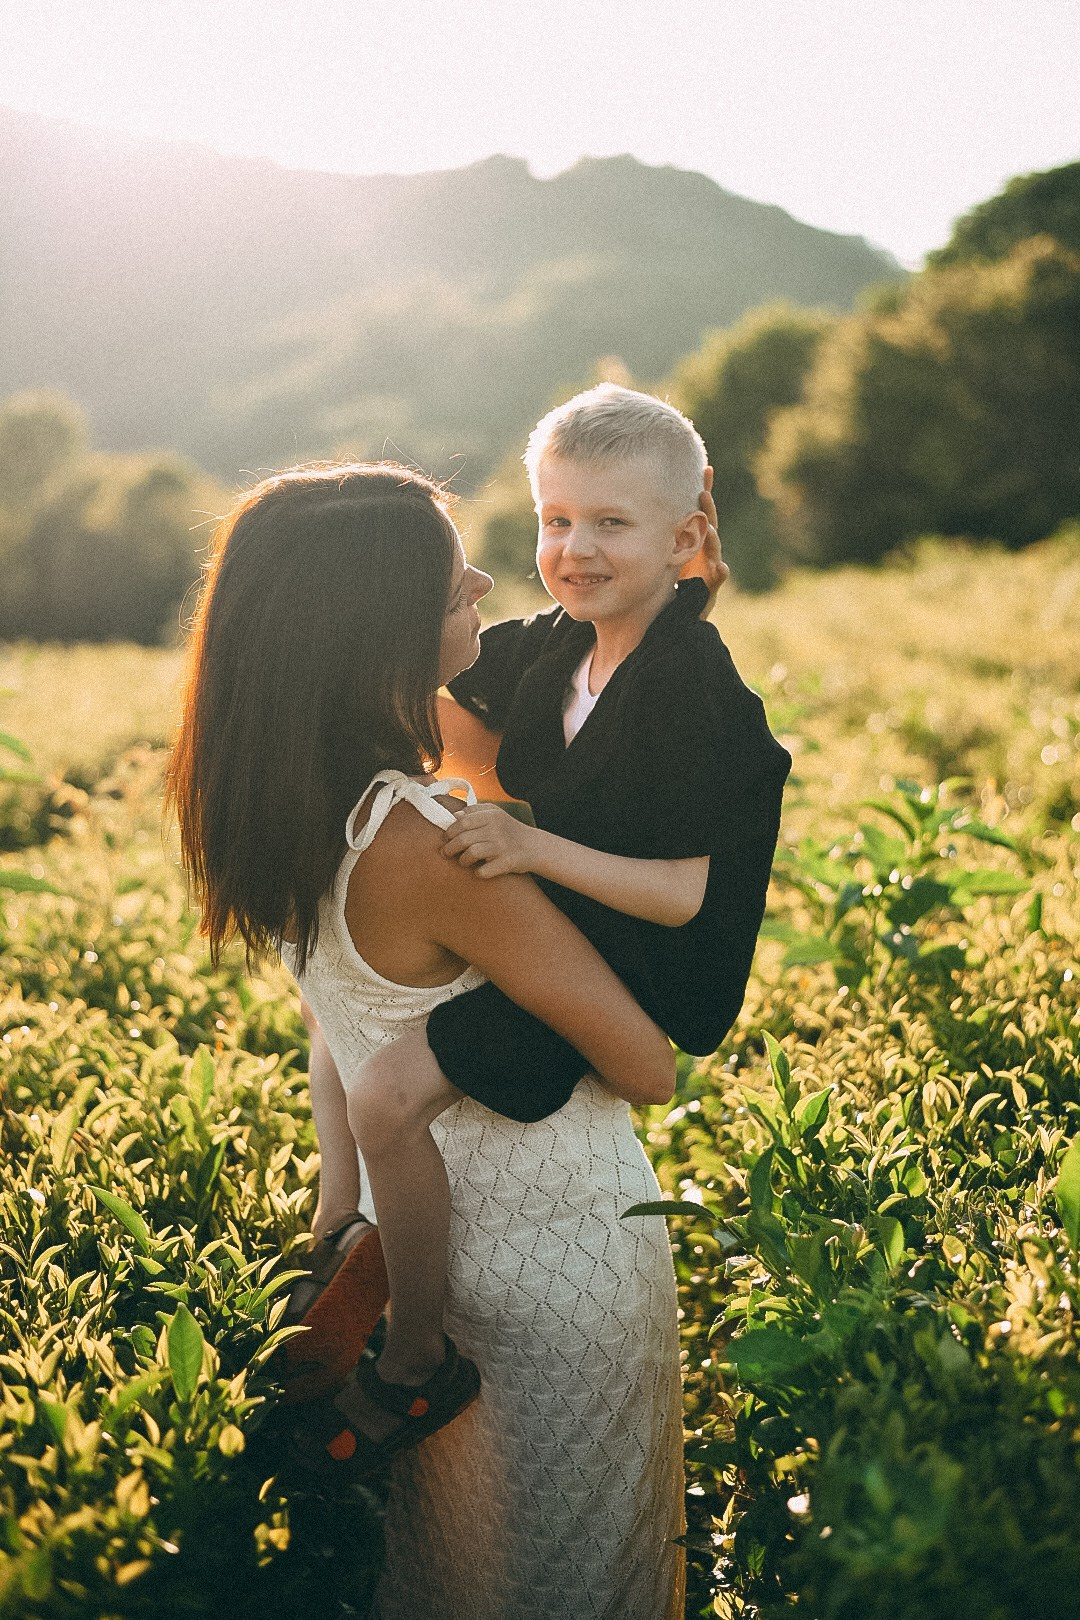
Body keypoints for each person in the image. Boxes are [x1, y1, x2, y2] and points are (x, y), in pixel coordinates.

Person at [165, 463, 686, 1620]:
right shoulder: (435, 843)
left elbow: (338, 1034)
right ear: (377, 629)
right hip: (559, 1270)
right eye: (454, 579)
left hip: (416, 1273)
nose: (487, 582)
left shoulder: (290, 804)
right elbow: (648, 1065)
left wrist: (339, 1199)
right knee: (575, 1585)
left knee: (460, 1585)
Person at [307, 386, 791, 1408]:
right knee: (332, 1017)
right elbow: (430, 701)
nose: (575, 548)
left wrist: (529, 848)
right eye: (555, 519)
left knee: (391, 1094)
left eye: (612, 523)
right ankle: (336, 1222)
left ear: (683, 536)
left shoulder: (687, 685)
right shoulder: (557, 643)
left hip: (642, 968)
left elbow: (677, 898)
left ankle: (414, 1357)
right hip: (571, 928)